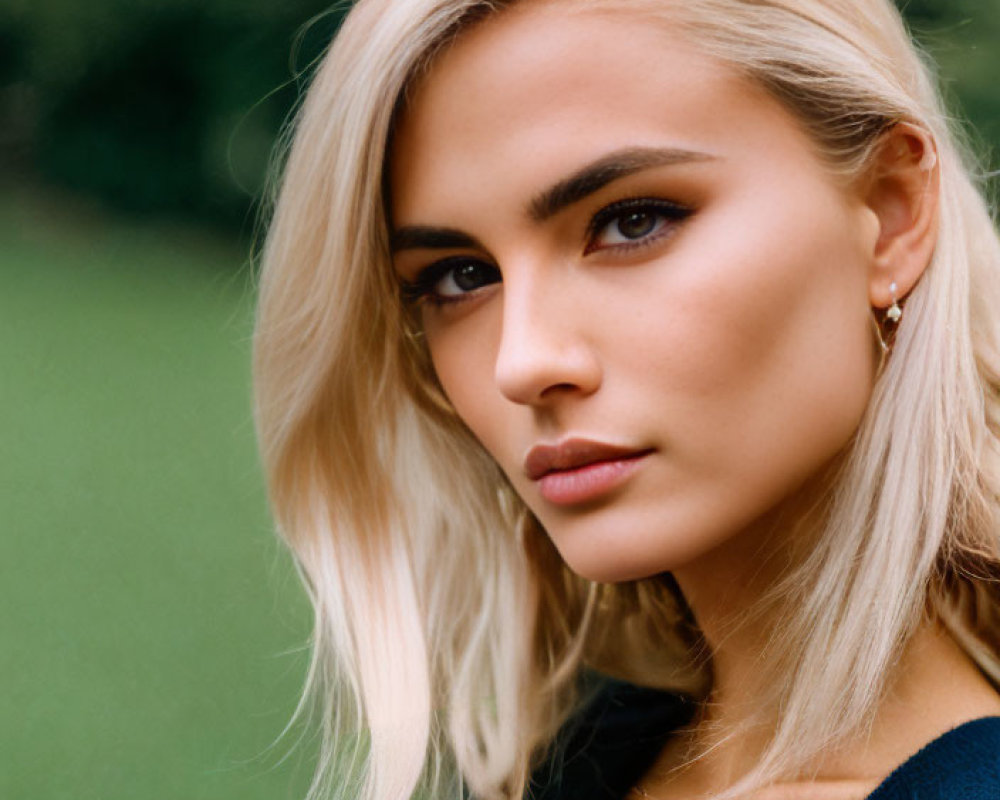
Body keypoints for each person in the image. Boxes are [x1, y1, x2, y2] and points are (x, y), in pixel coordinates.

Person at [252, 1, 1000, 798]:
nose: (523, 361)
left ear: (890, 213)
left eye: (632, 221)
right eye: (459, 276)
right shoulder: (574, 761)